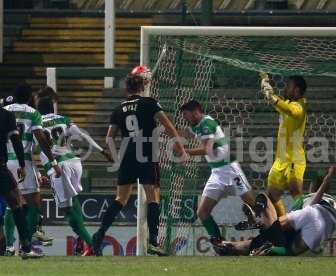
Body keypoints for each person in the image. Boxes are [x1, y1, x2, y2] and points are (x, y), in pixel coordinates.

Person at [91, 65, 187, 256]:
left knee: (121, 198)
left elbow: (109, 138)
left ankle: (100, 234)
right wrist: (180, 148)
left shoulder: (118, 109)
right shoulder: (150, 103)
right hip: (147, 154)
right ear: (142, 86)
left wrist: (114, 156)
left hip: (127, 156)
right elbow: (167, 125)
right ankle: (153, 242)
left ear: (127, 88)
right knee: (153, 198)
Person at [36, 96, 112, 256]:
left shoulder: (37, 123)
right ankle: (82, 240)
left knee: (68, 211)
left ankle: (93, 245)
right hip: (75, 163)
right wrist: (103, 151)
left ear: (38, 109)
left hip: (58, 167)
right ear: (52, 108)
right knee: (74, 200)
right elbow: (83, 136)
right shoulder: (63, 119)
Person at [180, 100, 260, 249]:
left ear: (196, 112)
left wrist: (186, 152)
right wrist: (164, 131)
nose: (185, 118)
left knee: (255, 206)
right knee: (202, 212)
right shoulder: (196, 126)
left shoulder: (206, 124)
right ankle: (218, 242)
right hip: (216, 173)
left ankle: (271, 229)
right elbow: (183, 133)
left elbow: (208, 150)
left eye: (186, 114)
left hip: (230, 169)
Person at [216, 167, 336, 257]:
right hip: (319, 231)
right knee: (291, 250)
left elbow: (299, 214)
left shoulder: (305, 199)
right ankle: (265, 246)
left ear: (311, 187)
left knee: (273, 227)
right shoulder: (332, 202)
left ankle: (254, 226)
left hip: (308, 212)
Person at [4, 83, 61, 255]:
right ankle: (26, 243)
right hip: (24, 162)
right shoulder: (33, 113)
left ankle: (9, 246)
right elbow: (40, 138)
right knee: (34, 201)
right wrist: (52, 161)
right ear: (29, 97)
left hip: (5, 161)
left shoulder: (5, 110)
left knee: (11, 203)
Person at [261, 73, 308, 217]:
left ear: (297, 90)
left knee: (296, 191)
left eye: (289, 86)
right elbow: (279, 103)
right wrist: (265, 84)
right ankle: (282, 225)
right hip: (280, 160)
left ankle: (303, 222)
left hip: (295, 159)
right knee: (271, 197)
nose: (285, 88)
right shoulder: (286, 105)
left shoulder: (300, 107)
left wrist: (272, 97)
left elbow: (289, 109)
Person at [0, 104, 43, 258]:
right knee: (16, 203)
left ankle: (10, 245)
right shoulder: (6, 115)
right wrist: (22, 165)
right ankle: (25, 248)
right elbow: (16, 140)